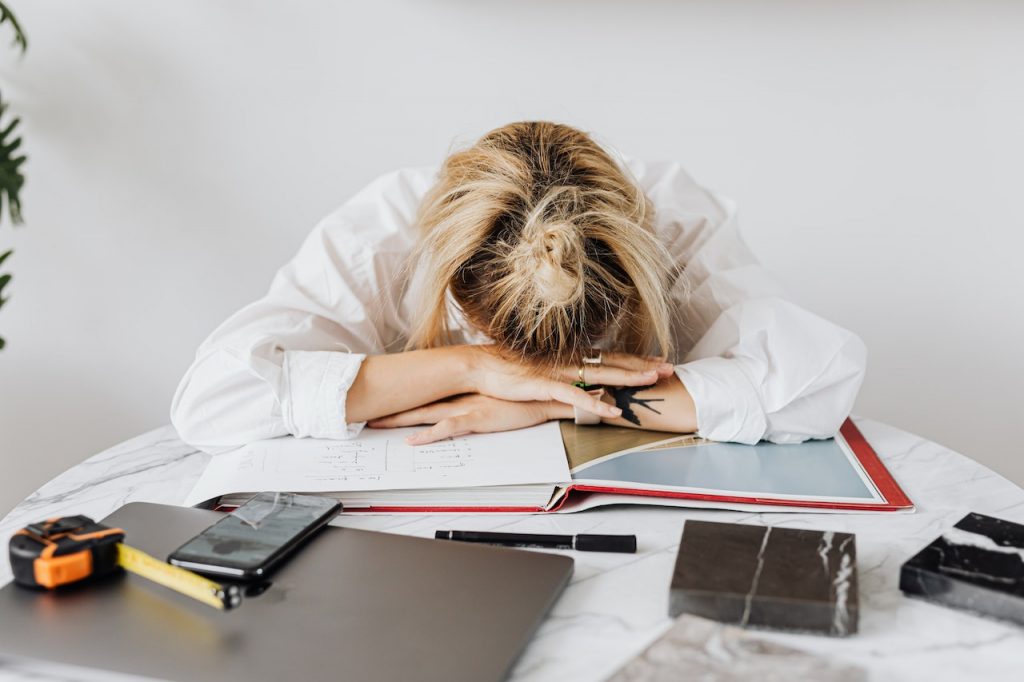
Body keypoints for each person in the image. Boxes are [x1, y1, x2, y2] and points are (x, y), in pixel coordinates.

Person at [171, 121, 866, 452]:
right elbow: (212, 402)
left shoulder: (670, 218)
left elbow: (817, 382)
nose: (527, 373)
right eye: (500, 345)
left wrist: (557, 403)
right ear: (451, 279)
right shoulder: (384, 228)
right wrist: (473, 368)